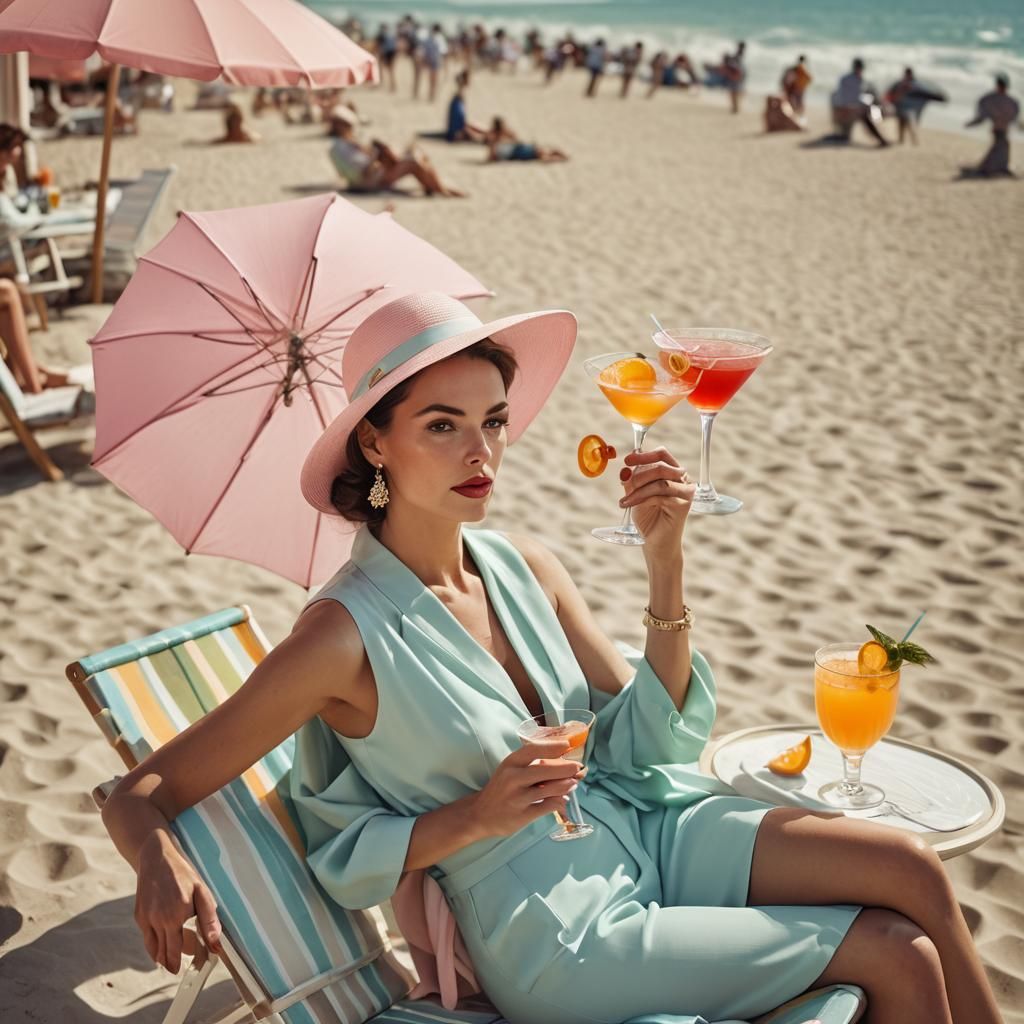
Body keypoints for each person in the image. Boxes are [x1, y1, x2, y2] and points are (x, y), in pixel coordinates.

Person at [97, 287, 1004, 1024]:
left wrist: (665, 562)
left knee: (911, 871)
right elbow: (144, 793)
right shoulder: (340, 635)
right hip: (552, 924)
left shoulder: (526, 563)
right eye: (442, 426)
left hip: (649, 828)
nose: (482, 451)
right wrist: (159, 860)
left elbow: (649, 743)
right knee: (896, 953)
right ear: (375, 439)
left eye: (492, 421)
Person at [327, 108, 465, 197]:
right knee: (412, 162)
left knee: (415, 153)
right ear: (341, 126)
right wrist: (376, 155)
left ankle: (438, 187)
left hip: (373, 176)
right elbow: (363, 173)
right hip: (370, 182)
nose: (353, 130)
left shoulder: (346, 144)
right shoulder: (339, 149)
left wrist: (375, 151)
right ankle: (442, 189)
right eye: (350, 126)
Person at [965, 73, 1020, 176]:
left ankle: (993, 167)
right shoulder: (1010, 101)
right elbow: (1014, 116)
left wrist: (976, 121)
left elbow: (983, 112)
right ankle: (992, 168)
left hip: (999, 128)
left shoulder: (992, 99)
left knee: (1000, 146)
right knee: (1001, 146)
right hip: (1000, 128)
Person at [831, 58, 888, 147]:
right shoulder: (855, 80)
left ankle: (881, 137)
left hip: (841, 108)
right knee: (868, 114)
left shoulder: (846, 78)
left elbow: (840, 97)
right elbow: (853, 99)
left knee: (870, 110)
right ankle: (881, 139)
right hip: (846, 110)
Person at [484, 117, 568, 163]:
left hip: (516, 150)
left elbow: (491, 157)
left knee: (540, 152)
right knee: (540, 153)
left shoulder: (498, 138)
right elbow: (492, 157)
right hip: (515, 152)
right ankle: (558, 156)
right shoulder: (494, 139)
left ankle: (558, 155)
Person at [446, 70, 486, 143]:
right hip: (456, 132)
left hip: (457, 128)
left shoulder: (459, 95)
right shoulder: (459, 96)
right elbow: (459, 121)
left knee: (475, 127)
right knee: (476, 132)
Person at [723, 41, 746, 113]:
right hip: (739, 74)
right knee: (735, 92)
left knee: (734, 92)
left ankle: (735, 108)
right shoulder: (741, 54)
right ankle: (735, 108)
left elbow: (735, 64)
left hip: (736, 74)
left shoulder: (738, 54)